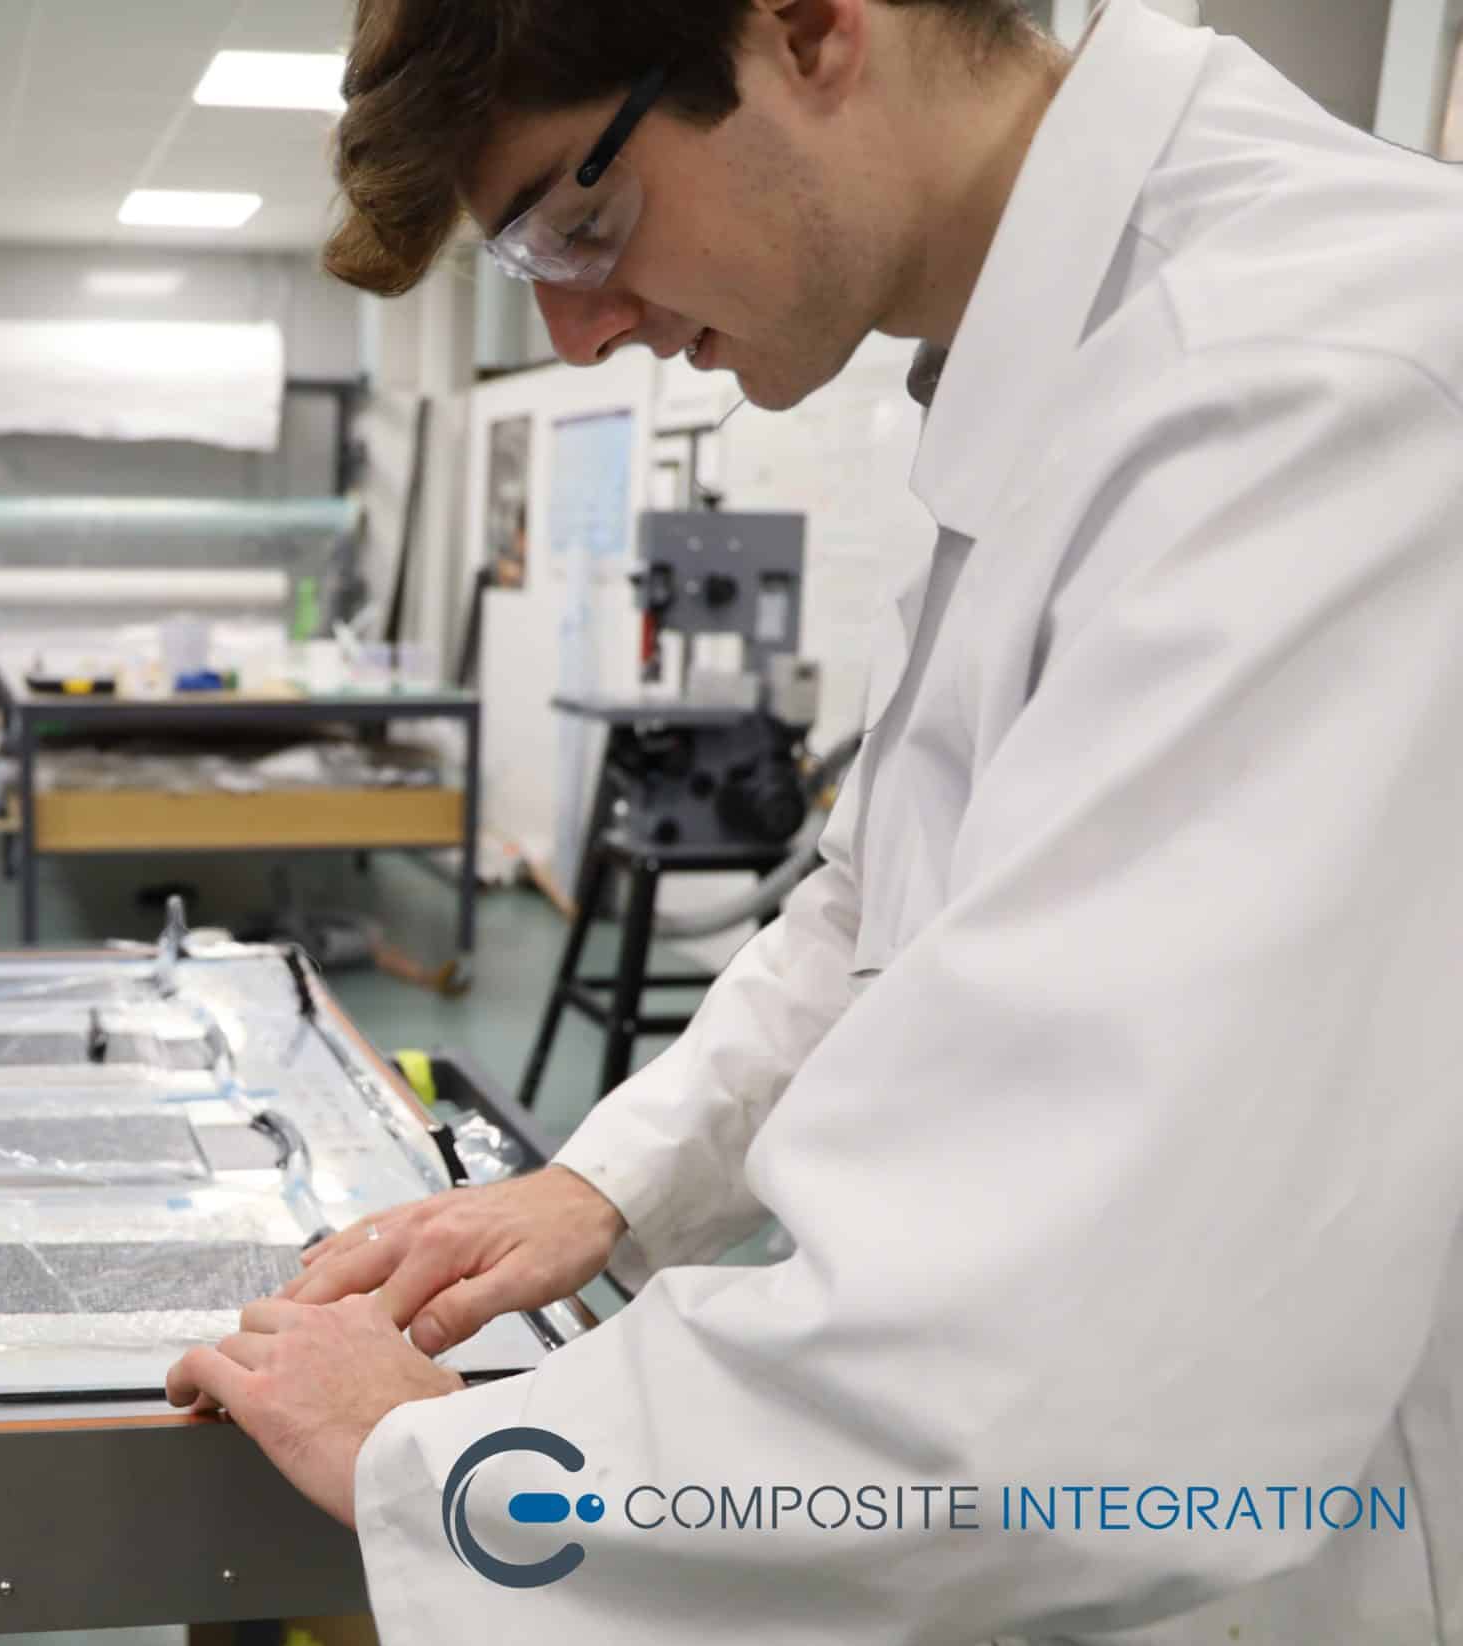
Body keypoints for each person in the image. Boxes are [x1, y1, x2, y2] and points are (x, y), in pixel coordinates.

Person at [163, 0, 1463, 1638]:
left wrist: (452, 1465)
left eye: (580, 222)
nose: (577, 336)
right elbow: (886, 901)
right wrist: (607, 1183)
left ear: (808, 29)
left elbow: (1042, 1386)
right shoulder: (1051, 366)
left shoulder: (1305, 383)